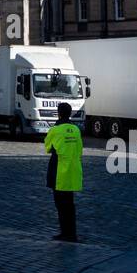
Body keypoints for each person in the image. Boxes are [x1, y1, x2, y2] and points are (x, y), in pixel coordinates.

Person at [44, 102, 83, 243]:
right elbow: (79, 150)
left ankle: (64, 233)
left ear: (59, 113)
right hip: (73, 171)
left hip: (59, 171)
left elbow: (48, 147)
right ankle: (72, 233)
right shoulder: (76, 129)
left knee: (60, 204)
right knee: (70, 204)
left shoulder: (55, 130)